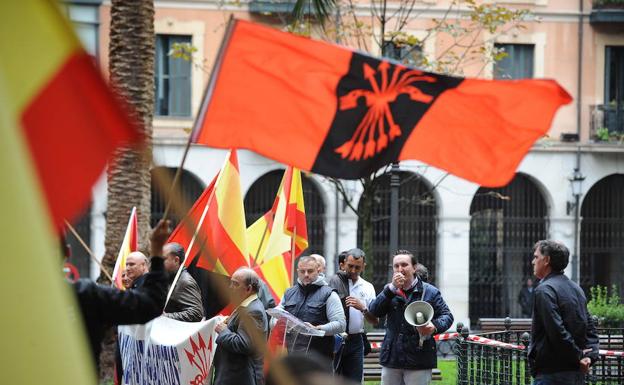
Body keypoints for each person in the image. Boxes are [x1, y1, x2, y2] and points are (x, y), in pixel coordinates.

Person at [72, 219, 170, 368]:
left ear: (144, 265)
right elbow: (150, 303)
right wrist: (157, 251)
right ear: (67, 251)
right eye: (127, 265)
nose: (127, 269)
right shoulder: (86, 293)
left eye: (132, 264)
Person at [369, 250, 453, 385]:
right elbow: (374, 311)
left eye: (404, 265)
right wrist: (390, 289)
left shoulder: (430, 291)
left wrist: (434, 326)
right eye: (396, 266)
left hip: (418, 359)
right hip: (393, 358)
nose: (400, 269)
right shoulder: (389, 290)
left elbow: (447, 316)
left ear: (414, 268)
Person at [528, 240, 599, 385]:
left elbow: (557, 331)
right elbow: (591, 329)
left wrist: (580, 357)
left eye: (536, 257)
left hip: (551, 374)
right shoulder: (576, 289)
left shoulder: (544, 290)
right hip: (575, 374)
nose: (532, 261)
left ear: (547, 260)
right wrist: (589, 357)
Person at [275, 255, 346, 361]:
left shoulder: (329, 294)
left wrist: (317, 328)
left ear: (318, 270)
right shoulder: (289, 293)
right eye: (302, 271)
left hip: (319, 359)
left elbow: (341, 325)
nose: (306, 275)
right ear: (297, 271)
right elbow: (275, 317)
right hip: (292, 357)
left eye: (310, 271)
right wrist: (278, 322)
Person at [329, 248, 377, 383]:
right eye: (350, 266)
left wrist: (363, 308)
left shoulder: (368, 287)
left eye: (358, 267)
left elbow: (375, 320)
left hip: (356, 341)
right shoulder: (333, 282)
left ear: (363, 266)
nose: (353, 271)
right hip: (335, 339)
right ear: (343, 263)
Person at [213, 268, 268, 385]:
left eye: (235, 284)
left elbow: (244, 344)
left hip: (241, 378)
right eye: (231, 282)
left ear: (248, 289)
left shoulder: (253, 311)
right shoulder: (247, 305)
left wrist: (224, 331)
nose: (230, 287)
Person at [162, 242, 204, 321]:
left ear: (176, 260)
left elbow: (196, 313)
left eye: (163, 259)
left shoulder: (185, 282)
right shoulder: (167, 276)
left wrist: (165, 317)